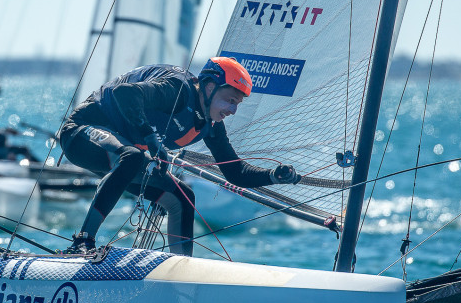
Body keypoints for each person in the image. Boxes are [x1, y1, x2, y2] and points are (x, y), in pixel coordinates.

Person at [57, 57, 301, 256]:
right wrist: (149, 137)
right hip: (80, 133)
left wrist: (272, 176)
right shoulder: (177, 90)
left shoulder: (211, 125)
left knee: (182, 197)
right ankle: (82, 243)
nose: (233, 110)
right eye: (230, 100)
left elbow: (235, 172)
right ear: (209, 87)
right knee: (132, 157)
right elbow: (125, 94)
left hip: (118, 159)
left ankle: (180, 266)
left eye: (237, 104)